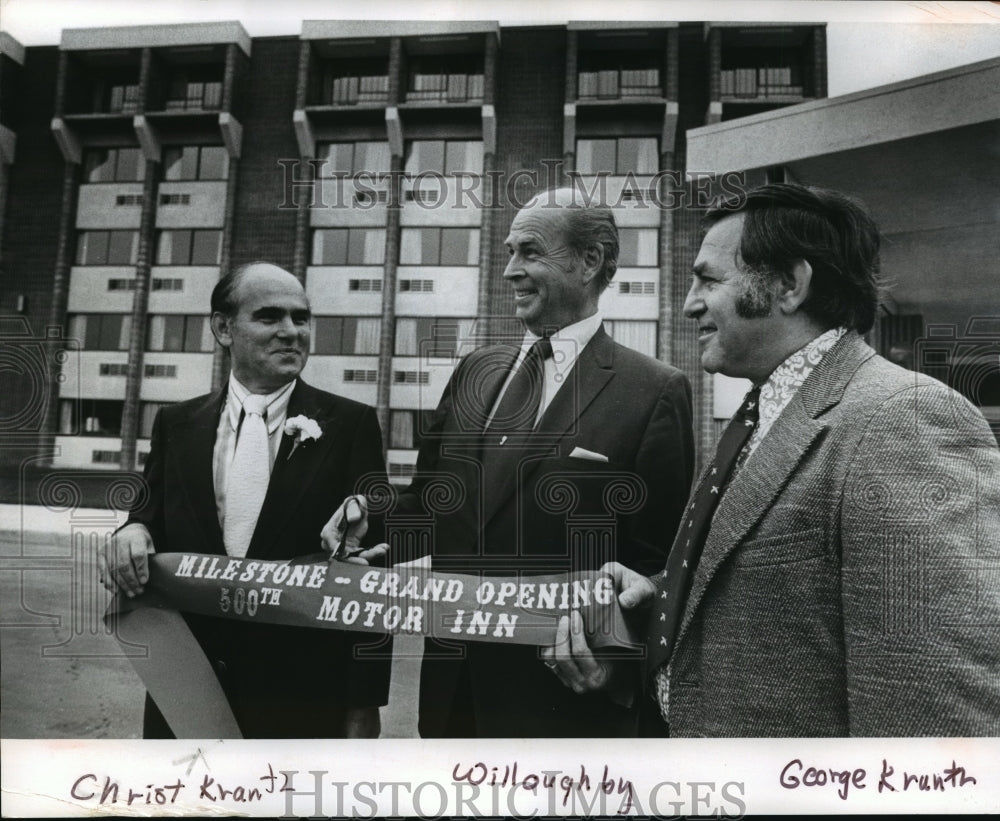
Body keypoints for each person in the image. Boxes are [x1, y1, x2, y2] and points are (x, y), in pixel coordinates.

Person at [544, 182, 1000, 736]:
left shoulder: (904, 420)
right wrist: (662, 594)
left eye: (708, 280)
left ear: (789, 285)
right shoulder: (762, 417)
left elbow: (935, 716)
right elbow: (786, 598)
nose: (690, 304)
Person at [325, 188, 695, 737]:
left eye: (529, 252)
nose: (509, 271)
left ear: (589, 262)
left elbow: (657, 568)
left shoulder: (655, 390)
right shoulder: (477, 369)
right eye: (508, 251)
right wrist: (369, 518)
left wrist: (617, 663)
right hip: (453, 697)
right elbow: (433, 502)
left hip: (563, 707)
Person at [98, 261, 391, 738]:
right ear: (223, 328)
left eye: (301, 318)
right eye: (270, 317)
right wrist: (131, 529)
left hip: (302, 699)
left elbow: (369, 574)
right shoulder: (176, 424)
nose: (291, 332)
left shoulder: (351, 425)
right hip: (187, 691)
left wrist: (363, 702)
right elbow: (147, 514)